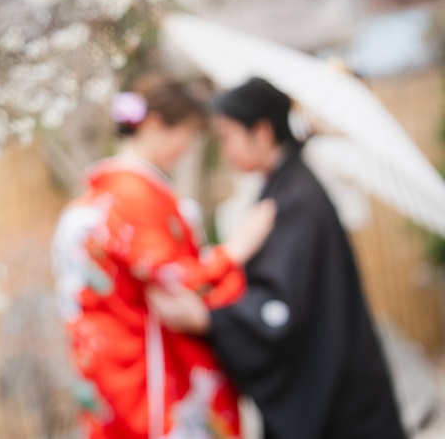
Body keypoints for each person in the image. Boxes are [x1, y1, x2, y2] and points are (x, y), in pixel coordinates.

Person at [148, 77, 407, 439]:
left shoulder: (296, 200)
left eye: (227, 136)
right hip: (338, 380)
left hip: (338, 397)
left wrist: (211, 320)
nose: (225, 151)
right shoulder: (286, 188)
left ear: (262, 131)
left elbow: (280, 307)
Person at [51, 74, 275, 439]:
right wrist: (235, 250)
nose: (186, 147)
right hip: (145, 369)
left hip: (109, 364)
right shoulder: (132, 194)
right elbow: (176, 278)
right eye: (186, 133)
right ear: (154, 125)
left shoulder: (99, 195)